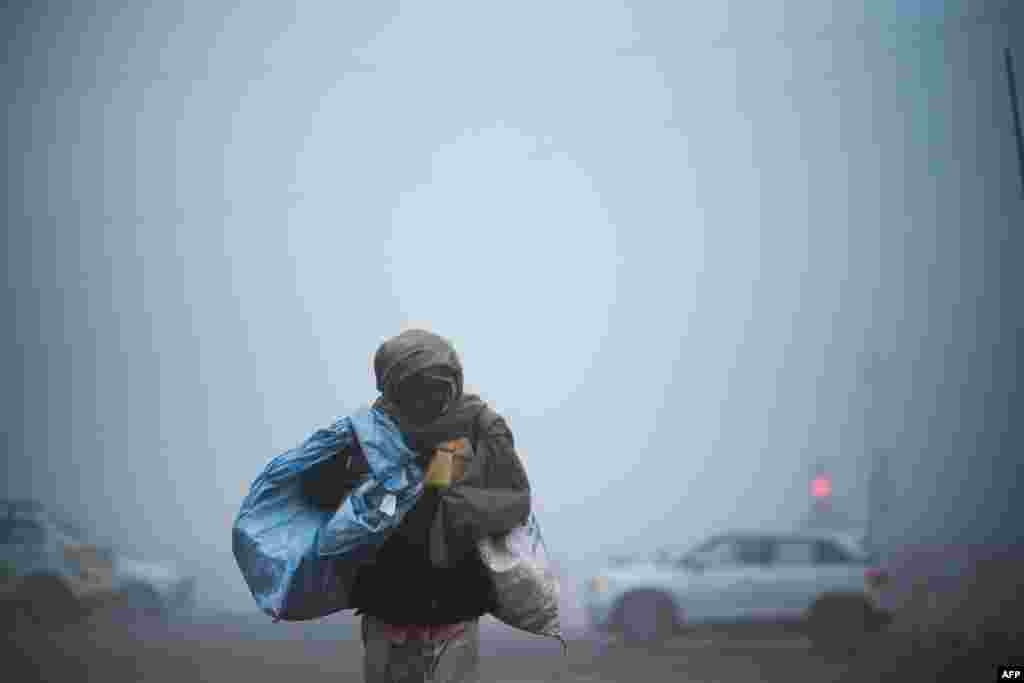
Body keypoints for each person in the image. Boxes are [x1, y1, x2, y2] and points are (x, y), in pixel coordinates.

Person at [346, 329, 531, 683]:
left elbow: (514, 501)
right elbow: (338, 502)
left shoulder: (480, 428)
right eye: (415, 391)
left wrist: (455, 504)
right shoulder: (372, 431)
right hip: (387, 604)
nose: (426, 401)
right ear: (393, 389)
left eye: (436, 388)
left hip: (454, 603)